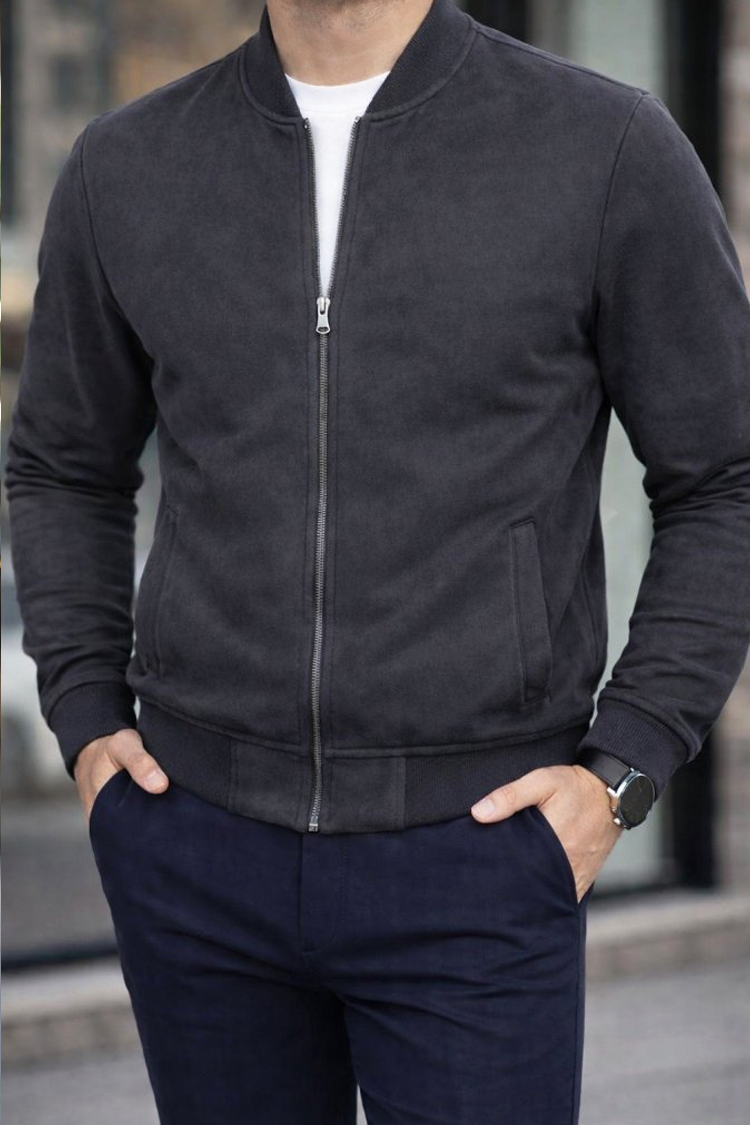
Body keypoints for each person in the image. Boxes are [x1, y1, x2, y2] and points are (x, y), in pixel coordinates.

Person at [6, 0, 750, 1121]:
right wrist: (84, 719)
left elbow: (725, 476)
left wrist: (624, 767)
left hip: (481, 854)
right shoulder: (129, 165)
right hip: (196, 853)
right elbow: (65, 466)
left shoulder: (603, 148)